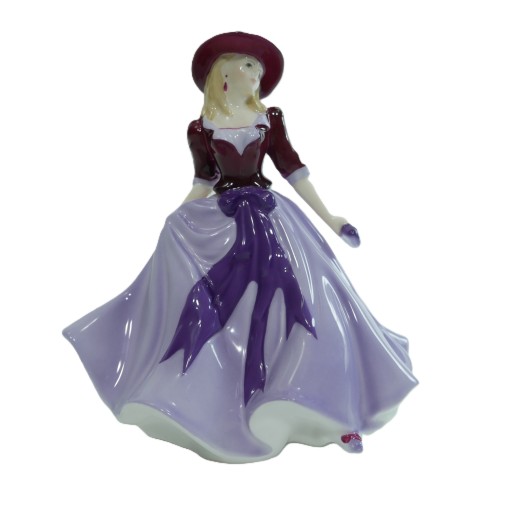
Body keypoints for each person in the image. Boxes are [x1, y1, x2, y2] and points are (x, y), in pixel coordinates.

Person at [63, 32, 418, 463]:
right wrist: (176, 217)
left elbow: (293, 169)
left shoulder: (270, 119)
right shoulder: (201, 128)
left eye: (258, 68)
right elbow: (204, 180)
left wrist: (331, 218)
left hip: (272, 218)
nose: (256, 73)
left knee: (315, 299)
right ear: (223, 72)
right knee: (213, 306)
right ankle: (214, 407)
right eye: (248, 64)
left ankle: (337, 414)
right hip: (225, 221)